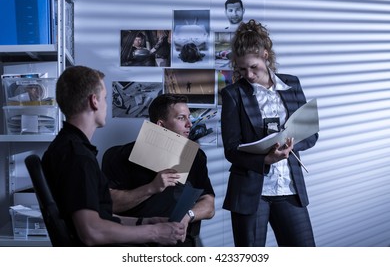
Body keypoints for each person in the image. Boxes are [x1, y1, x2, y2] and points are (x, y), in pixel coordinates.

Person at [41, 66, 185, 246]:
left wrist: (145, 222)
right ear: (94, 101)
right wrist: (154, 232)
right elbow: (92, 231)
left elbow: (101, 216)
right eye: (105, 98)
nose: (106, 105)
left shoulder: (69, 147)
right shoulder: (77, 157)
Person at [220, 19, 318, 247]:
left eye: (253, 67)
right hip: (250, 192)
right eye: (242, 69)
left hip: (289, 188)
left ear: (266, 55)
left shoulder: (292, 85)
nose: (249, 75)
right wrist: (266, 158)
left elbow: (310, 135)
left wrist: (290, 146)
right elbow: (231, 149)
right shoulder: (233, 94)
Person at [102, 93, 215, 247]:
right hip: (136, 242)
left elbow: (209, 205)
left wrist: (188, 216)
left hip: (178, 241)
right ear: (161, 125)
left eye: (189, 117)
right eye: (181, 118)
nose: (190, 124)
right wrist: (151, 188)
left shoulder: (196, 157)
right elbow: (110, 205)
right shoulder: (119, 156)